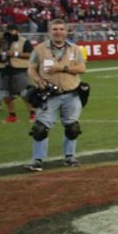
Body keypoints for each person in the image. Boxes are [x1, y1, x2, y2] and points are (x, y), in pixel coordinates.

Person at [25, 19, 87, 172]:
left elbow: (82, 68)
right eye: (55, 29)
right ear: (49, 31)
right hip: (48, 95)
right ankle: (37, 160)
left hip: (71, 93)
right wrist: (38, 80)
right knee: (40, 129)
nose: (58, 32)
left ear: (66, 31)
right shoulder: (39, 49)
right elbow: (31, 68)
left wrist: (62, 68)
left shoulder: (75, 48)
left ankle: (69, 157)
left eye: (61, 29)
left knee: (72, 127)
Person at [0, 24, 36, 123]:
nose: (9, 33)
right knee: (6, 95)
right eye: (7, 31)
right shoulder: (3, 41)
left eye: (11, 31)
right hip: (5, 69)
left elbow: (31, 54)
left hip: (20, 69)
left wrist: (15, 54)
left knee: (25, 94)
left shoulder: (24, 41)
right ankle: (12, 115)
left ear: (16, 31)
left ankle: (33, 113)